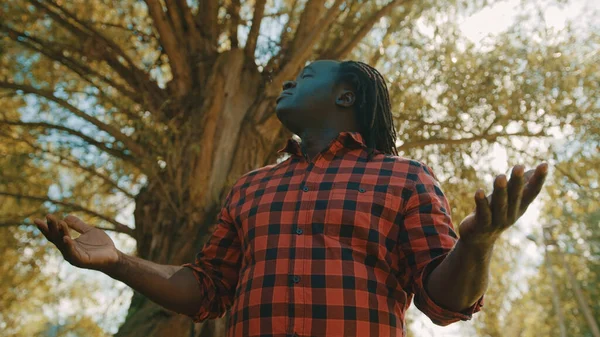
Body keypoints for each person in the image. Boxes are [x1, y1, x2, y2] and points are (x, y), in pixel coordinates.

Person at [33, 60, 547, 337]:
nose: (286, 81)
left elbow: (444, 305)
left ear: (346, 96)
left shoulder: (406, 178)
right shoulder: (250, 187)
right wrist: (118, 262)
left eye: (304, 77)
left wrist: (478, 244)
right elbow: (207, 290)